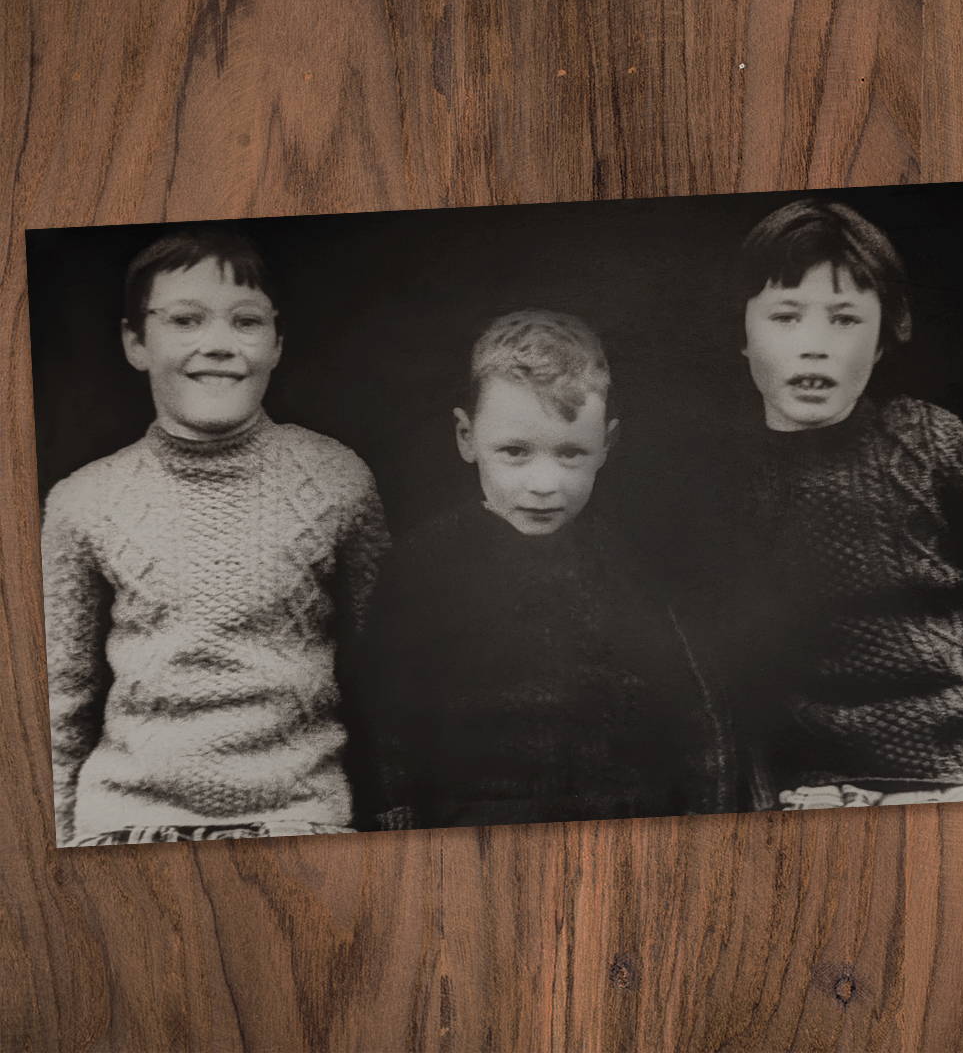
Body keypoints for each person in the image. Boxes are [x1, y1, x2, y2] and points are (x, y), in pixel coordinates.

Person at [42, 228, 389, 846]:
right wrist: (61, 848)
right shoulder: (81, 501)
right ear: (135, 342)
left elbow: (385, 671)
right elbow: (61, 701)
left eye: (246, 321)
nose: (219, 345)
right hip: (125, 823)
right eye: (185, 320)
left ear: (277, 342)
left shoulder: (339, 480)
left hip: (302, 816)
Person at [724, 198, 963, 811]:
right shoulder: (722, 479)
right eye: (786, 316)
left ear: (881, 341)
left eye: (845, 319)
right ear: (742, 333)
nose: (814, 346)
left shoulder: (928, 440)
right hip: (816, 788)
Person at [360, 310, 726, 830]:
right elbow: (388, 727)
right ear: (467, 437)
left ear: (607, 445)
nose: (544, 483)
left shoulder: (631, 563)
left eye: (571, 453)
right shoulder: (422, 567)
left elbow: (690, 714)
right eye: (515, 452)